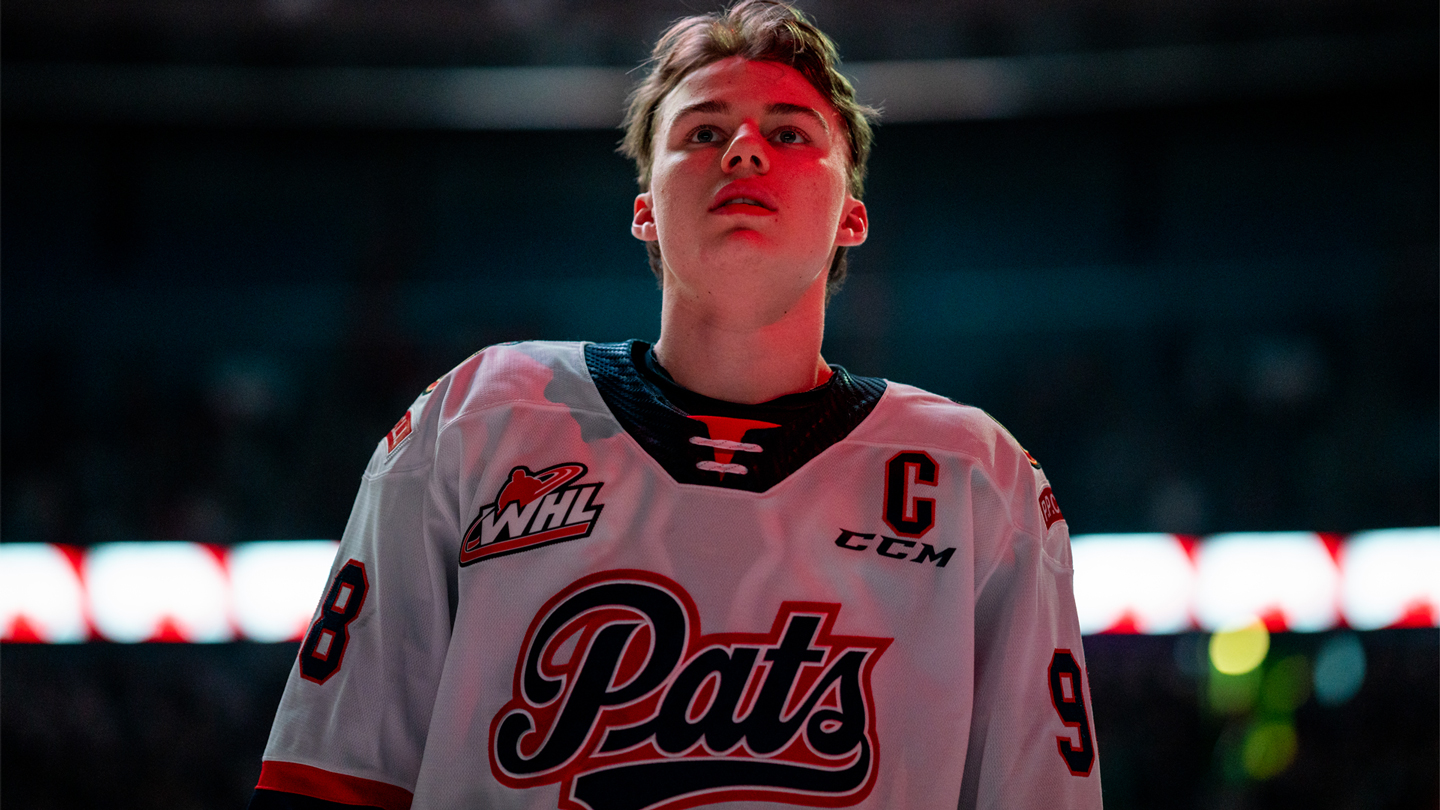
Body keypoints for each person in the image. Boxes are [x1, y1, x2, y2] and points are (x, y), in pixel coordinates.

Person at [249, 2, 1102, 808]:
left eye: (788, 132)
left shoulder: (981, 481)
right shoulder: (476, 419)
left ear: (852, 216)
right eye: (702, 131)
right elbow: (326, 781)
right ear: (645, 210)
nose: (743, 150)